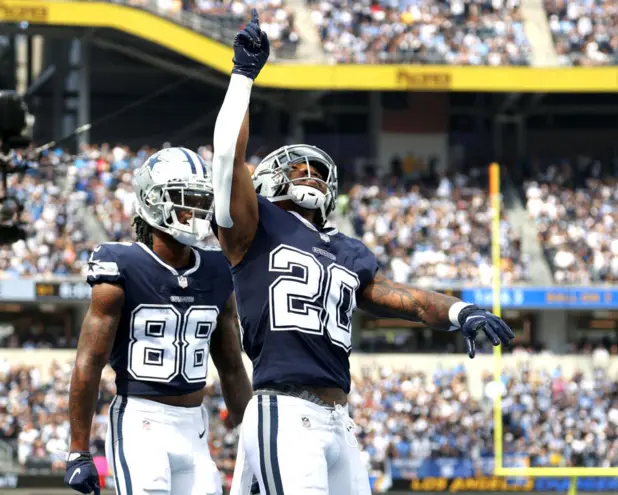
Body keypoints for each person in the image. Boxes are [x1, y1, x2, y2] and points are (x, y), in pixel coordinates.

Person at [212, 11, 515, 495]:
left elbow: (403, 298)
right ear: (271, 181)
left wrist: (461, 311)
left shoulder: (346, 248)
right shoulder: (254, 226)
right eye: (300, 169)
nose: (310, 175)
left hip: (339, 419)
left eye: (317, 170)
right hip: (284, 413)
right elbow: (226, 156)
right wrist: (243, 78)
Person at [64, 147, 252, 495]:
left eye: (201, 198)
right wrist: (78, 448)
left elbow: (231, 368)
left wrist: (252, 441)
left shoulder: (216, 269)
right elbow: (89, 362)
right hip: (141, 423)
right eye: (184, 198)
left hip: (196, 426)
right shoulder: (121, 265)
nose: (195, 208)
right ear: (152, 201)